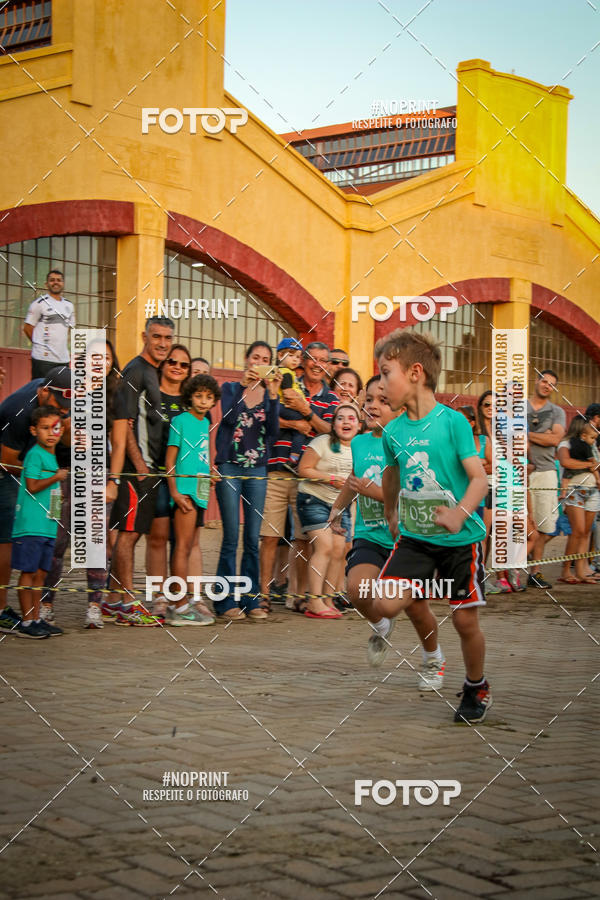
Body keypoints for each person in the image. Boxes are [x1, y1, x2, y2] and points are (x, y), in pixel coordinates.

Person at [370, 329, 490, 724]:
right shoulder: (393, 431)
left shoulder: (452, 422)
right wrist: (391, 513)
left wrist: (459, 514)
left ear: (415, 373)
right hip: (416, 539)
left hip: (461, 539)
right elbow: (391, 474)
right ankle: (422, 606)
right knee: (384, 602)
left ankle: (476, 687)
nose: (381, 384)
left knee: (464, 620)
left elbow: (479, 479)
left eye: (385, 373)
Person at [329, 376, 446, 688]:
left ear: (400, 406)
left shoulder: (411, 444)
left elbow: (415, 494)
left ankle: (433, 659)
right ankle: (382, 625)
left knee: (416, 608)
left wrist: (374, 491)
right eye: (368, 400)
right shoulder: (359, 443)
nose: (373, 406)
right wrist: (338, 507)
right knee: (356, 590)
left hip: (406, 539)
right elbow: (354, 479)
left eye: (382, 400)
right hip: (369, 535)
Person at [103, 316, 174, 626]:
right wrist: (140, 467)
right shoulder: (136, 370)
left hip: (147, 470)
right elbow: (124, 424)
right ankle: (128, 604)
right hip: (136, 470)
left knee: (132, 533)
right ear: (145, 337)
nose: (162, 343)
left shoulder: (152, 372)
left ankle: (112, 601)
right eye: (156, 336)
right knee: (128, 535)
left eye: (167, 338)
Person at [0, 367, 72, 635]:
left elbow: (66, 440)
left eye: (66, 409)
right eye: (59, 407)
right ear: (43, 393)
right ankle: (1, 610)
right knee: (7, 539)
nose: (63, 413)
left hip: (38, 476)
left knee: (40, 561)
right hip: (7, 469)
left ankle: (34, 616)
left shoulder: (59, 408)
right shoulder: (18, 410)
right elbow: (7, 461)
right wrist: (45, 475)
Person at [214, 341, 282, 621]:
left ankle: (251, 598)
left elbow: (273, 432)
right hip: (230, 466)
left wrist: (274, 395)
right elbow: (229, 419)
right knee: (231, 536)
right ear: (246, 359)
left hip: (257, 470)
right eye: (256, 357)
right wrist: (243, 387)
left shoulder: (270, 394)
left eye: (266, 359)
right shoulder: (230, 388)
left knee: (253, 538)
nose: (260, 363)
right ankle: (224, 601)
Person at [295, 404, 361, 618]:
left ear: (359, 425)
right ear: (333, 424)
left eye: (351, 418)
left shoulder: (360, 448)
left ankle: (328, 599)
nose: (346, 422)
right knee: (324, 546)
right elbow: (303, 469)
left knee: (339, 550)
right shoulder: (322, 442)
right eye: (340, 418)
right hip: (313, 499)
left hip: (340, 506)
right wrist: (330, 479)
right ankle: (314, 602)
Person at [166, 374, 221, 624]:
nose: (203, 401)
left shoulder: (205, 423)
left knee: (190, 546)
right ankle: (178, 606)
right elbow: (170, 461)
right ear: (189, 397)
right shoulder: (179, 421)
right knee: (182, 546)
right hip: (184, 492)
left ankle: (183, 602)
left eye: (208, 397)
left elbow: (201, 457)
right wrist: (175, 492)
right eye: (198, 396)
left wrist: (210, 473)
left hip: (200, 492)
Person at [11, 407, 69, 638]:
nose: (51, 433)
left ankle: (36, 618)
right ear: (34, 430)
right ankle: (26, 622)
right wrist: (57, 477)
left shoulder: (52, 456)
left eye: (55, 428)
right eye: (45, 428)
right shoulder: (35, 454)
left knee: (41, 574)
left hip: (47, 525)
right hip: (31, 525)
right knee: (29, 572)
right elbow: (32, 486)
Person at [145, 344, 192, 621]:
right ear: (163, 365)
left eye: (184, 364)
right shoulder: (150, 396)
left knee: (184, 542)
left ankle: (180, 597)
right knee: (157, 538)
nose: (177, 367)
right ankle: (159, 598)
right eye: (172, 361)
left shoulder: (192, 401)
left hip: (185, 480)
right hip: (156, 475)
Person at [83, 338, 121, 629]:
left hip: (100, 471)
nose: (102, 362)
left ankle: (94, 606)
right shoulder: (70, 391)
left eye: (107, 358)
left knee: (98, 542)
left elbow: (117, 443)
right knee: (57, 543)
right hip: (68, 471)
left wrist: (112, 480)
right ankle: (44, 605)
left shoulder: (115, 396)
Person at [527, 370, 566, 588]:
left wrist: (526, 435)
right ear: (536, 381)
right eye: (544, 381)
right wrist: (545, 435)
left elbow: (556, 439)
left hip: (546, 473)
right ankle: (511, 573)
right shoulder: (519, 407)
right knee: (518, 522)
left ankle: (535, 572)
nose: (547, 386)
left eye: (551, 384)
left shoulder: (557, 411)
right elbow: (508, 436)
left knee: (543, 524)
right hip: (518, 472)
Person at [557, 418, 600, 584]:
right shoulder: (566, 443)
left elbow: (596, 465)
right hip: (575, 489)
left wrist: (592, 466)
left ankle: (582, 572)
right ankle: (566, 570)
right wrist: (589, 465)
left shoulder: (590, 444)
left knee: (586, 532)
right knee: (578, 531)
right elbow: (566, 462)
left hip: (593, 490)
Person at [23, 270, 75, 379]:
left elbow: (69, 329)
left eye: (59, 280)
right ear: (46, 284)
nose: (55, 282)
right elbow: (27, 328)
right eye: (52, 280)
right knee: (41, 387)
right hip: (42, 360)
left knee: (61, 389)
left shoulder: (69, 305)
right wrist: (40, 344)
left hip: (63, 359)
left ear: (63, 283)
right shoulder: (39, 303)